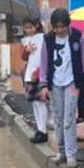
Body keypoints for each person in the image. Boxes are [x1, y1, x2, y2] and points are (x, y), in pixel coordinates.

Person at [39, 8, 84, 168]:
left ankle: (71, 154)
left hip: (72, 83)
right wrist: (43, 84)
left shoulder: (77, 37)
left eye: (62, 26)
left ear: (67, 25)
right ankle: (61, 151)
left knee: (69, 118)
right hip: (55, 84)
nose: (59, 30)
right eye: (56, 27)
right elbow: (44, 63)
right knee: (57, 118)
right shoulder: (48, 40)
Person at [20, 16, 48, 144]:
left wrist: (39, 73)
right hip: (29, 75)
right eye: (26, 28)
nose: (28, 30)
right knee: (34, 103)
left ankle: (43, 131)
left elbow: (45, 57)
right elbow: (24, 58)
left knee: (41, 102)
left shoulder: (43, 38)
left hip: (39, 75)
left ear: (36, 26)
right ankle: (39, 129)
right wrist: (27, 51)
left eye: (30, 27)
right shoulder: (25, 40)